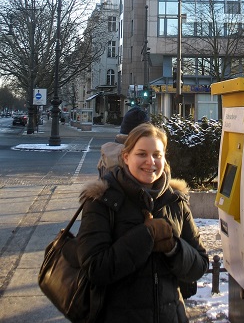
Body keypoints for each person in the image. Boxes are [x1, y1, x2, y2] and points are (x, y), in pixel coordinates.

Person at [76, 122, 209, 323]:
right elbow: (94, 268)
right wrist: (145, 236)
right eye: (142, 154)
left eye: (157, 154)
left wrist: (174, 248)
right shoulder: (102, 200)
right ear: (126, 157)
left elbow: (200, 265)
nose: (150, 162)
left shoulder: (175, 201)